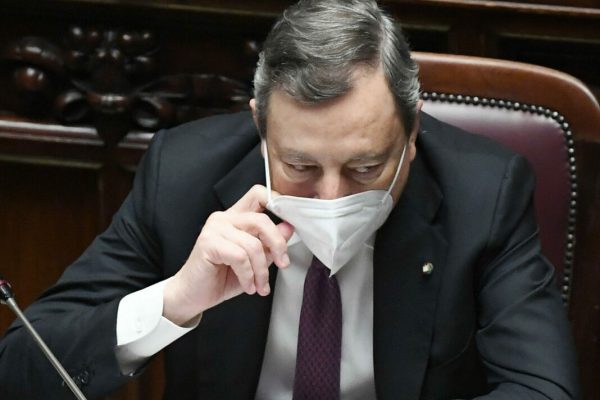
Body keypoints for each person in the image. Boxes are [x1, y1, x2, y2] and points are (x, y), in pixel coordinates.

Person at [0, 0, 580, 399]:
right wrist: (174, 299)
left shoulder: (484, 193)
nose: (331, 196)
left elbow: (544, 387)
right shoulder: (182, 176)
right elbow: (19, 368)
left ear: (413, 130)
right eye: (300, 166)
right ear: (261, 128)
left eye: (365, 166)